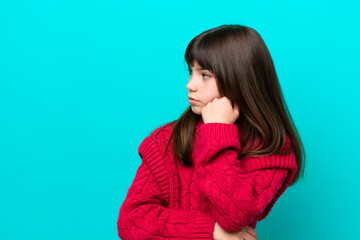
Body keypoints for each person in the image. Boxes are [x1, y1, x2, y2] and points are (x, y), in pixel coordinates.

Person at [117, 24, 305, 240]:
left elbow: (234, 216)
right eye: (190, 72)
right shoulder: (167, 139)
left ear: (241, 80)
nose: (190, 85)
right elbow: (130, 221)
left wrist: (218, 131)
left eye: (205, 75)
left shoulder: (272, 151)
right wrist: (211, 231)